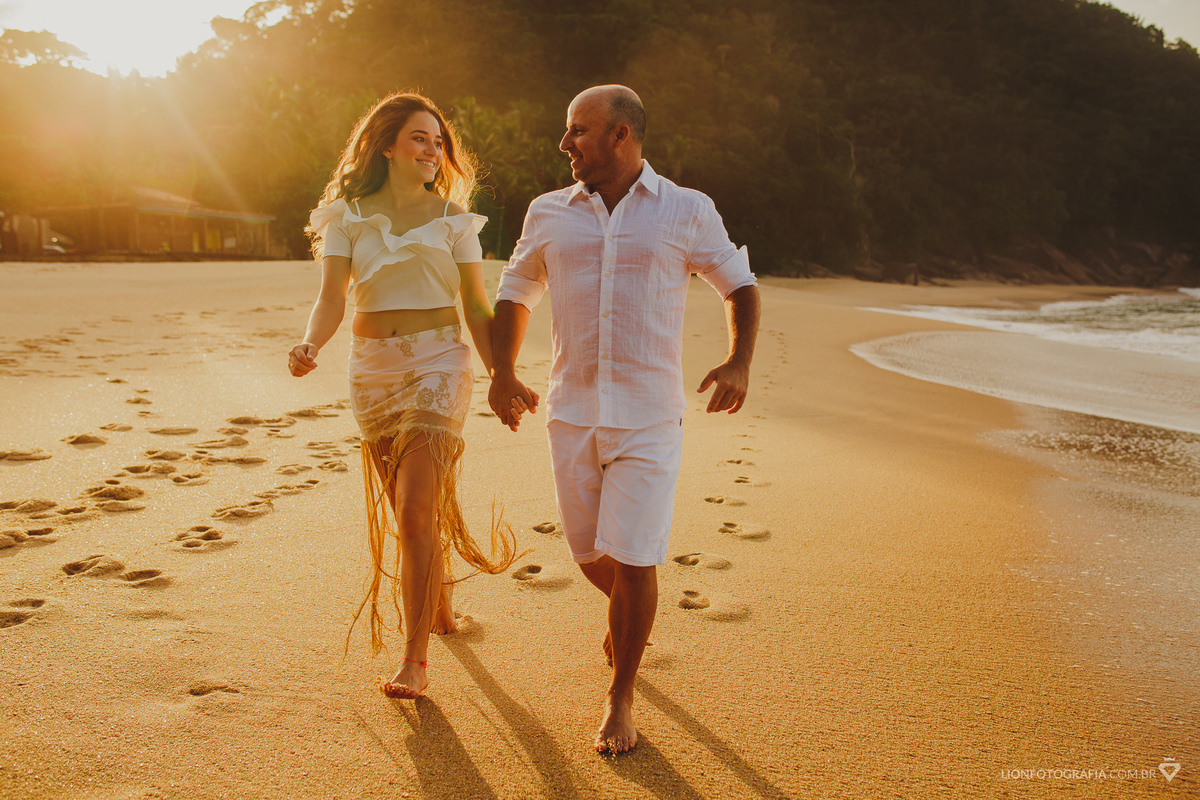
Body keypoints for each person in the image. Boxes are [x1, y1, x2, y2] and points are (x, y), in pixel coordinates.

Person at [489, 85, 760, 753]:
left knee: (636, 558)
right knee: (590, 554)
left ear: (620, 135)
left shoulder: (686, 211)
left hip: (648, 415)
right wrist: (501, 371)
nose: (565, 143)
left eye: (578, 130)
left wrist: (738, 363)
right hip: (571, 410)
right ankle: (626, 616)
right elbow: (516, 290)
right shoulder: (548, 213)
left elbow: (740, 285)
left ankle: (621, 697)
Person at [290, 91, 519, 699]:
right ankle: (436, 595)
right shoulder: (345, 216)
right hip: (372, 371)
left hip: (440, 361)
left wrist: (502, 374)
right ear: (387, 142)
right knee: (407, 509)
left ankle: (414, 658)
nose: (432, 149)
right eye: (421, 137)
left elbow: (476, 305)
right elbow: (333, 298)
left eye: (438, 141)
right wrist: (310, 343)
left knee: (415, 508)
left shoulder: (454, 220)